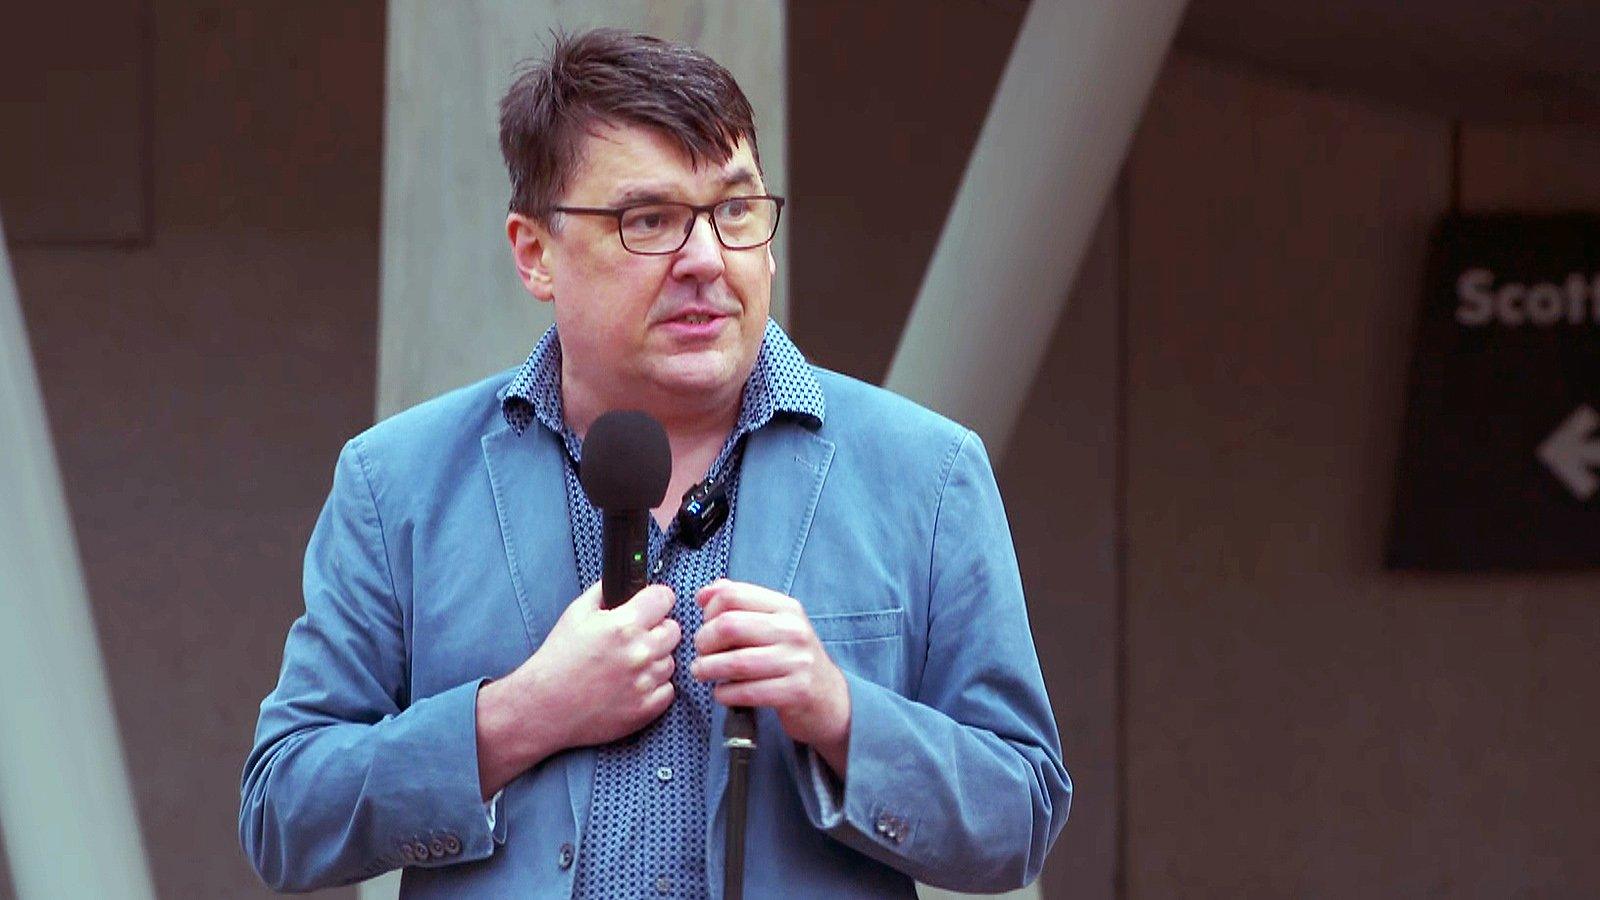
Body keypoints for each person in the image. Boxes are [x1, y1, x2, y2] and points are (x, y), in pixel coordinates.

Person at [240, 28, 1069, 898]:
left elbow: (1022, 816)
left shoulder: (927, 474)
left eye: (736, 211)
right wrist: (520, 716)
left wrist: (841, 713)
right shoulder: (397, 482)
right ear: (534, 252)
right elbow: (285, 813)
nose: (707, 260)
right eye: (650, 221)